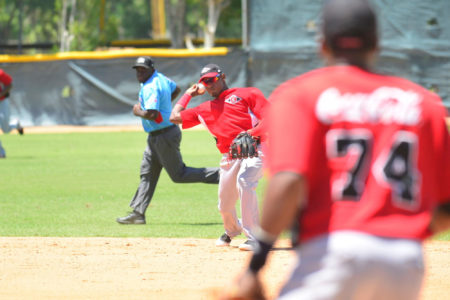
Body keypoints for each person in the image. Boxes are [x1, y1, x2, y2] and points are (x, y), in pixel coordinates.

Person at [223, 0, 450, 299]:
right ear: (377, 43)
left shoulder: (301, 95)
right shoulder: (423, 104)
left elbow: (289, 181)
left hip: (332, 249)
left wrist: (256, 266)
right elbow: (443, 209)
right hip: (404, 260)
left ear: (323, 44)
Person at [170, 64, 269, 251]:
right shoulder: (204, 108)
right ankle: (233, 230)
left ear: (222, 76)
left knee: (245, 182)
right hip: (229, 156)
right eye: (204, 82)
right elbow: (174, 117)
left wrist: (252, 133)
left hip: (256, 148)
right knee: (225, 204)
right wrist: (189, 94)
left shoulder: (247, 93)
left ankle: (255, 237)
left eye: (212, 79)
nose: (209, 85)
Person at [116, 56, 220, 225]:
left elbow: (152, 114)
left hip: (164, 135)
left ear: (150, 69)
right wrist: (165, 106)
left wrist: (137, 112)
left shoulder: (151, 87)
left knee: (179, 175)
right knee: (147, 174)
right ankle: (138, 213)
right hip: (157, 135)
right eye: (137, 69)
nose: (140, 73)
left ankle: (222, 175)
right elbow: (176, 89)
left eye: (143, 69)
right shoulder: (160, 78)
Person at [0, 68, 24, 158]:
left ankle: (15, 123)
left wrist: (1, 94)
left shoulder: (0, 73)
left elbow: (9, 84)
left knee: (6, 129)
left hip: (2, 102)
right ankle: (1, 153)